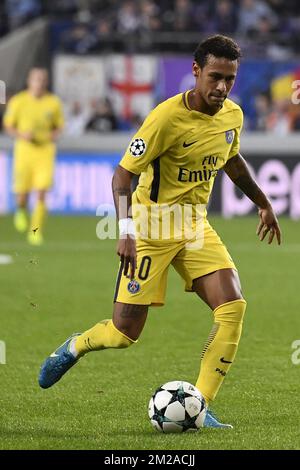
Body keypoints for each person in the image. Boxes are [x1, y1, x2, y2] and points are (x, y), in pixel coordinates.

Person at [38, 35, 281, 428]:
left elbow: (231, 160)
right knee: (123, 334)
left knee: (232, 307)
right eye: (215, 77)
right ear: (196, 71)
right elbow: (121, 178)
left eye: (230, 79)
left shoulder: (232, 115)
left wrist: (263, 202)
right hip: (150, 229)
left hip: (195, 227)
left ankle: (200, 406)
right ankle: (75, 346)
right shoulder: (165, 118)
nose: (221, 87)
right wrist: (126, 230)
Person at [3, 67, 64, 245]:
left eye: (43, 79)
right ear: (29, 81)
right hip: (24, 152)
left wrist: (54, 134)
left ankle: (35, 231)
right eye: (36, 79)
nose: (40, 83)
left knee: (42, 192)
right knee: (22, 194)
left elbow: (59, 125)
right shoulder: (19, 101)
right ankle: (20, 209)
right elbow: (8, 125)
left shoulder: (53, 102)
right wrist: (21, 135)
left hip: (45, 152)